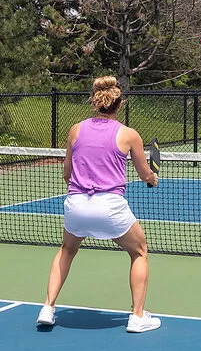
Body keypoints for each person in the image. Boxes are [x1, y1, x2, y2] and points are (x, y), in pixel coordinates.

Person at [36, 76, 161, 333]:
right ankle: (137, 316)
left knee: (67, 249)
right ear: (120, 104)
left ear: (95, 102)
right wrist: (153, 179)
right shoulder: (129, 134)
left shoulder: (75, 130)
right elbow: (145, 174)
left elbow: (67, 175)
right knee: (139, 251)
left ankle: (47, 308)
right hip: (110, 207)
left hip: (76, 204)